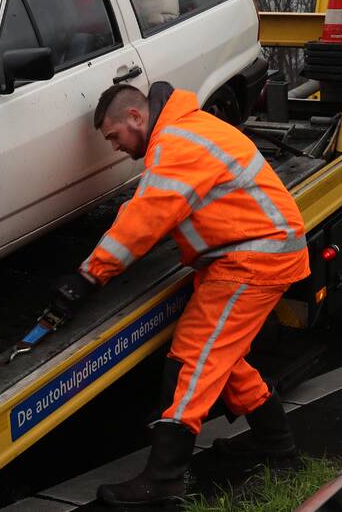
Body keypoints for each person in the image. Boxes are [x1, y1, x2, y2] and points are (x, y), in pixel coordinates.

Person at [51, 81, 310, 506]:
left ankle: (164, 480)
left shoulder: (178, 140)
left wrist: (89, 275)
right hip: (242, 254)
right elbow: (145, 207)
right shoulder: (185, 130)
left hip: (251, 258)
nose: (116, 147)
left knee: (196, 357)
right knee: (222, 359)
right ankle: (275, 446)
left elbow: (148, 214)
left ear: (136, 117)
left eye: (115, 136)